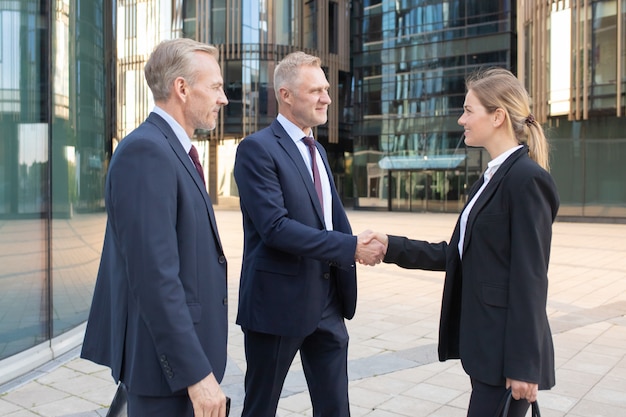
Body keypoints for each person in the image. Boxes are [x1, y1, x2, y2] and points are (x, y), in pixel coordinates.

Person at [366, 68, 559, 417]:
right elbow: (456, 254)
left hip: (506, 356)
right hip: (485, 348)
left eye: (469, 110)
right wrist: (390, 245)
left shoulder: (527, 180)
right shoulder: (489, 179)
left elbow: (530, 278)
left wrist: (524, 364)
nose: (461, 120)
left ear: (497, 116)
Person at [81, 38, 230, 417]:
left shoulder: (172, 150)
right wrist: (196, 375)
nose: (223, 98)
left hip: (180, 366)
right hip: (168, 375)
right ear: (182, 88)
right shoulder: (146, 152)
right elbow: (154, 278)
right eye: (215, 86)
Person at [233, 51, 384, 417]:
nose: (327, 98)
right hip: (277, 305)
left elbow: (328, 219)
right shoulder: (256, 150)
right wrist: (350, 247)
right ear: (286, 95)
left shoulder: (316, 150)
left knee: (336, 409)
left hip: (329, 301)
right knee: (260, 408)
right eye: (316, 90)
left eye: (327, 89)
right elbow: (276, 228)